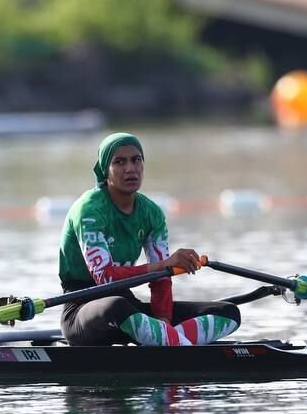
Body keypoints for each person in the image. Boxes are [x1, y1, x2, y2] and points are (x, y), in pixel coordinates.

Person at [58, 132, 241, 346]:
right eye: (119, 162)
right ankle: (175, 345)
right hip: (84, 311)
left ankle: (164, 339)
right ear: (105, 170)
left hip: (128, 308)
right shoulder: (89, 209)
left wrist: (163, 319)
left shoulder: (152, 213)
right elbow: (105, 278)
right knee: (117, 305)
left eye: (136, 160)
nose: (130, 168)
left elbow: (162, 278)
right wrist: (163, 265)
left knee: (228, 312)